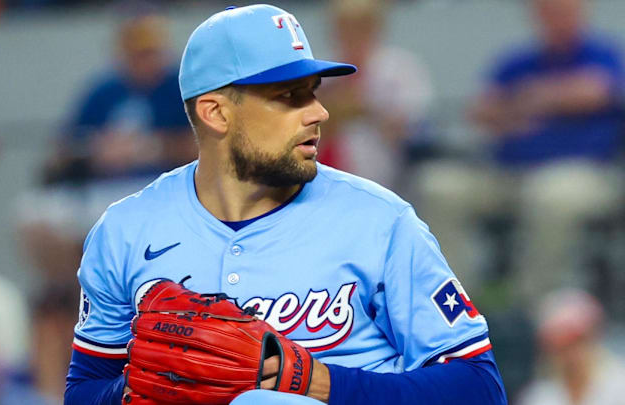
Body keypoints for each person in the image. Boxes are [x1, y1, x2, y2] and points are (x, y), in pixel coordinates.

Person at [65, 5, 506, 405]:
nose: (318, 112)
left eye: (313, 92)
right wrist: (151, 385)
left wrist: (319, 383)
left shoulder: (380, 222)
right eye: (289, 96)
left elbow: (480, 387)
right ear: (215, 112)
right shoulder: (124, 230)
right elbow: (84, 389)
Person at [415, 0, 624, 296]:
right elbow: (482, 111)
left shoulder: (602, 53)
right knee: (438, 185)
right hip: (507, 172)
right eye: (547, 10)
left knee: (550, 196)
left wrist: (534, 98)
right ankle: (455, 304)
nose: (555, 18)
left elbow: (596, 91)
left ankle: (532, 309)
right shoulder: (519, 61)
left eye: (563, 10)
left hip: (584, 172)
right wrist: (529, 108)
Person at [16, 13, 195, 290]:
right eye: (136, 54)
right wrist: (95, 149)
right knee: (34, 216)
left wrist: (149, 147)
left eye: (150, 53)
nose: (145, 62)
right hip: (101, 188)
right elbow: (62, 150)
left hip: (159, 189)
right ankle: (70, 299)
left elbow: (204, 146)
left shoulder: (180, 86)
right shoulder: (104, 90)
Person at [318, 0, 434, 190]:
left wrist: (364, 109)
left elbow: (413, 132)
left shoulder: (402, 69)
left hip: (385, 174)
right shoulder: (320, 70)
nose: (351, 35)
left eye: (360, 27)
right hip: (324, 175)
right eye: (344, 27)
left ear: (376, 27)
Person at [517, 289, 625, 405]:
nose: (570, 355)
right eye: (561, 347)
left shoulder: (619, 387)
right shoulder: (538, 397)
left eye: (576, 343)